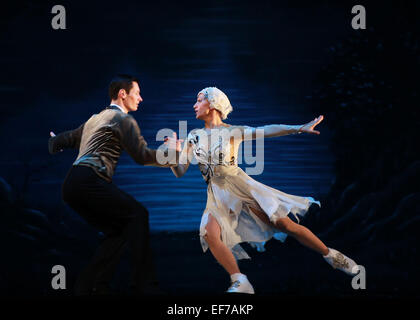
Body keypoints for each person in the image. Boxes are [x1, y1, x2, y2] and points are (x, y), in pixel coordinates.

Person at [167, 87, 360, 294]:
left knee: (285, 225)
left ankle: (331, 255)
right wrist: (173, 152)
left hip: (239, 187)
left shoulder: (232, 131)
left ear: (212, 104)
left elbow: (266, 130)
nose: (194, 105)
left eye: (199, 100)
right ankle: (240, 280)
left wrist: (298, 128)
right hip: (216, 193)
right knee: (209, 234)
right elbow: (179, 171)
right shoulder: (194, 136)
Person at [48, 74, 180, 296]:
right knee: (138, 215)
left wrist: (53, 142)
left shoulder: (95, 119)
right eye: (137, 93)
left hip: (71, 186)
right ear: (122, 94)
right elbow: (141, 156)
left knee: (118, 230)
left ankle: (91, 285)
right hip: (90, 180)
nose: (140, 99)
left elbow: (67, 139)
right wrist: (172, 154)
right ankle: (144, 286)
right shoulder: (123, 120)